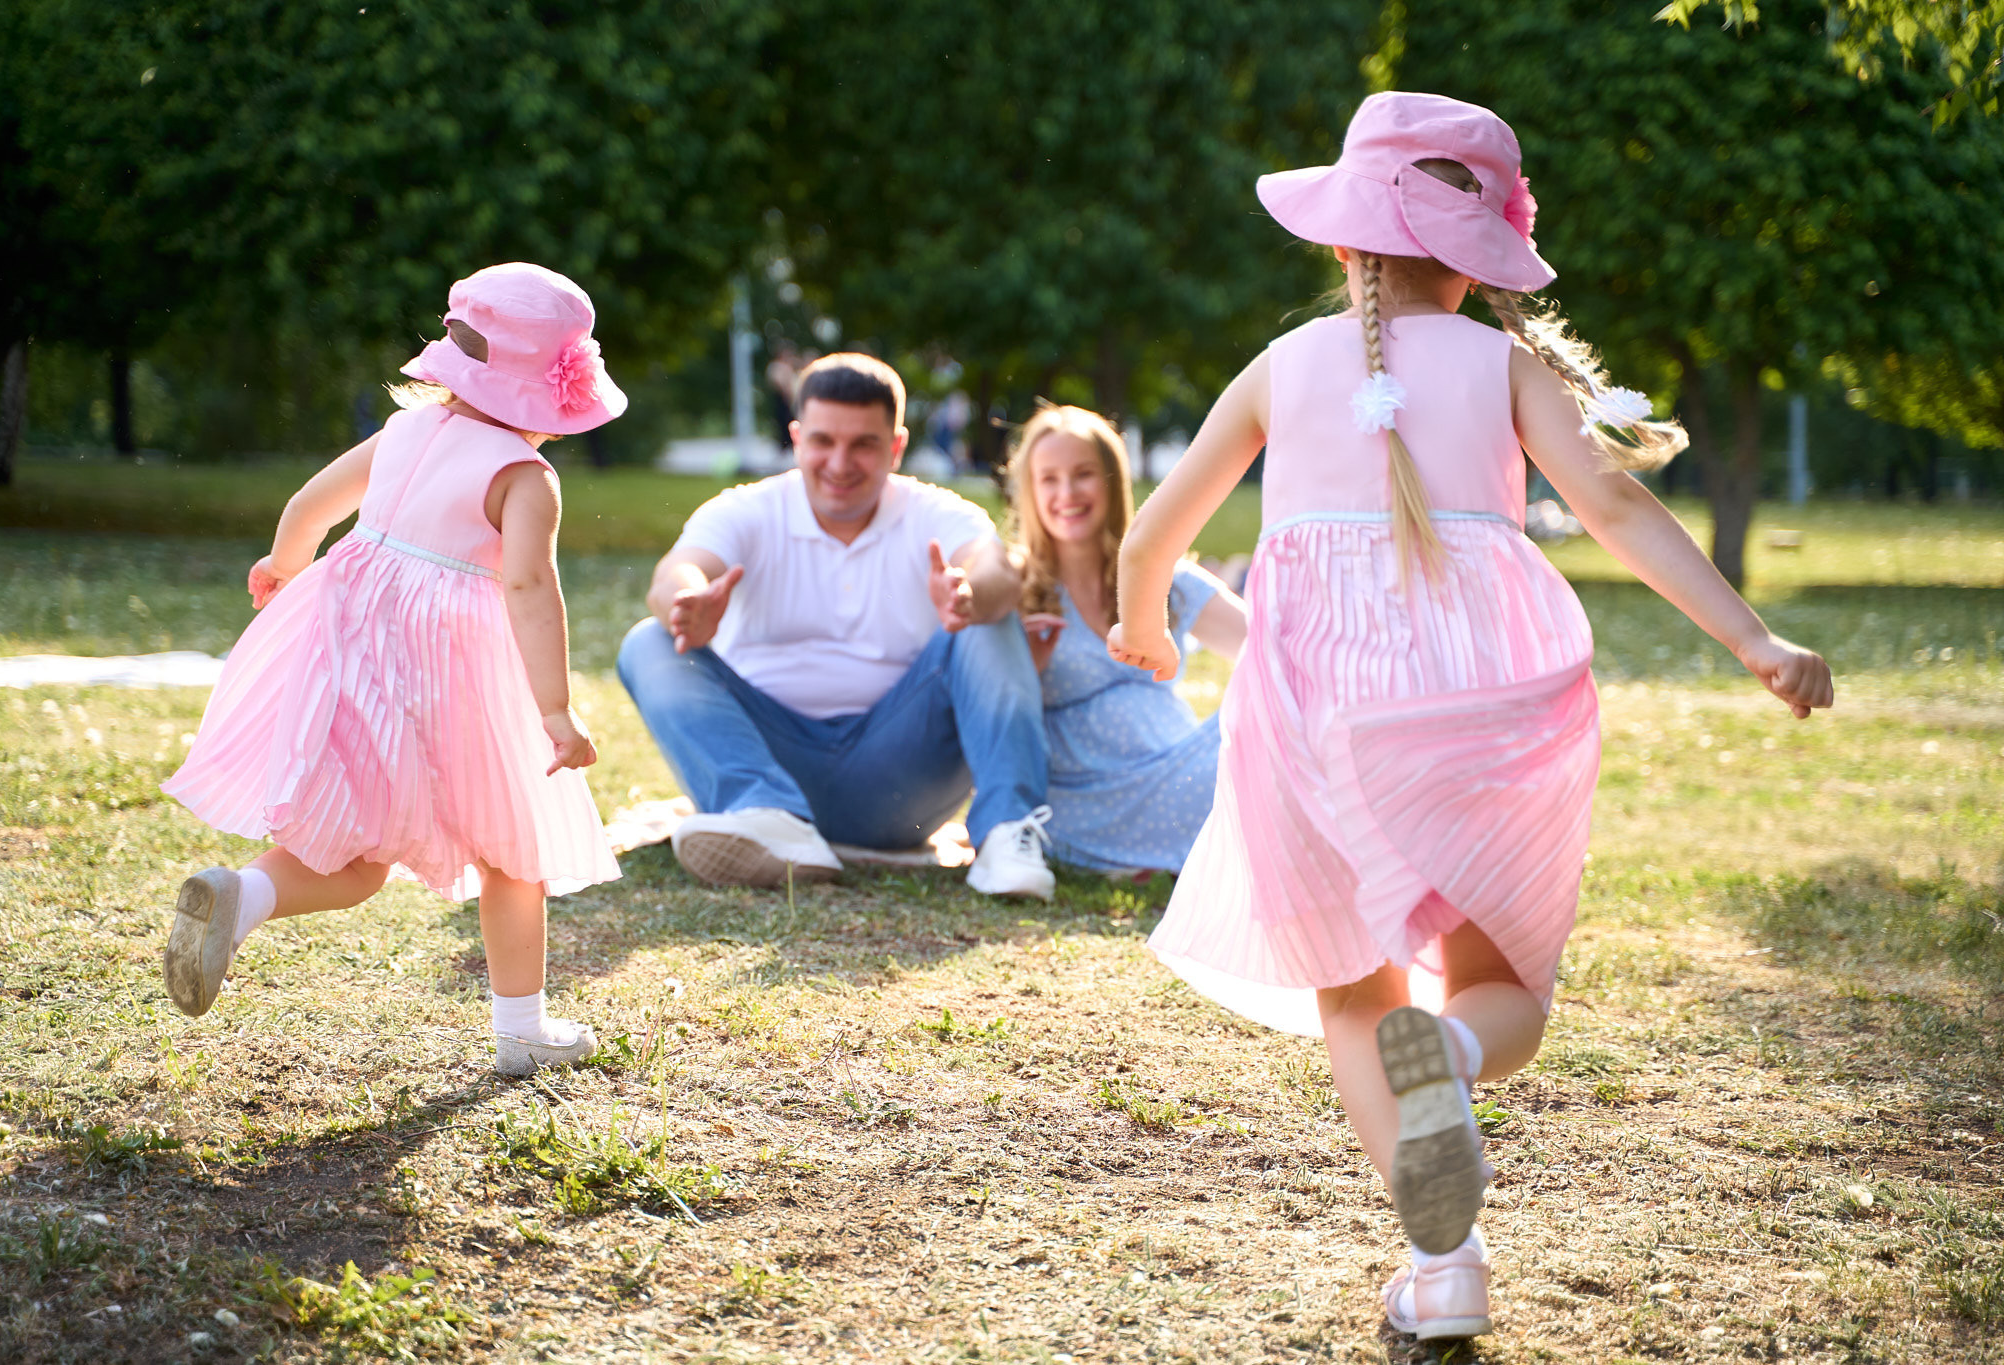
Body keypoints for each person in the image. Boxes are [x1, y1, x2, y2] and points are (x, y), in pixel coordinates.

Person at [1106, 93, 1834, 1342]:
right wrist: (1752, 638)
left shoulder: (1278, 371)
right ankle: (1446, 1064)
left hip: (1314, 709)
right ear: (1480, 257)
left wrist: (1145, 628)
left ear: (1341, 243)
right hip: (1475, 699)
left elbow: (1151, 535)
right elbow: (1618, 512)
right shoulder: (1507, 365)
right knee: (1501, 992)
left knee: (1353, 995)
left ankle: (1445, 1265)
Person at [160, 263, 626, 1078]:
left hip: (348, 647)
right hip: (448, 670)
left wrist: (283, 564)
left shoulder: (404, 429)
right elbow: (527, 587)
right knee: (513, 847)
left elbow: (312, 501)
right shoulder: (525, 476)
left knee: (353, 857)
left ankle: (242, 896)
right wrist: (553, 711)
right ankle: (521, 1028)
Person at [617, 352, 1056, 898]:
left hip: (902, 782)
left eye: (863, 444)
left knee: (990, 618)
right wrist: (687, 601)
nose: (840, 463)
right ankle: (765, 814)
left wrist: (970, 595)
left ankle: (1009, 836)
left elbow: (995, 569)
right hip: (768, 763)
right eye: (823, 441)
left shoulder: (939, 513)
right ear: (797, 437)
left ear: (895, 447)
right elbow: (673, 574)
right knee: (650, 641)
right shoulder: (746, 509)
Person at [1005, 403, 1247, 875]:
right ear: (1030, 492)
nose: (1067, 492)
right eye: (1049, 479)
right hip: (1090, 801)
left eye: (1083, 474)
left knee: (1269, 707)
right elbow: (988, 712)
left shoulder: (1161, 577)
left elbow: (1267, 648)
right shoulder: (1017, 589)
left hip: (1181, 773)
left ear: (1112, 481)